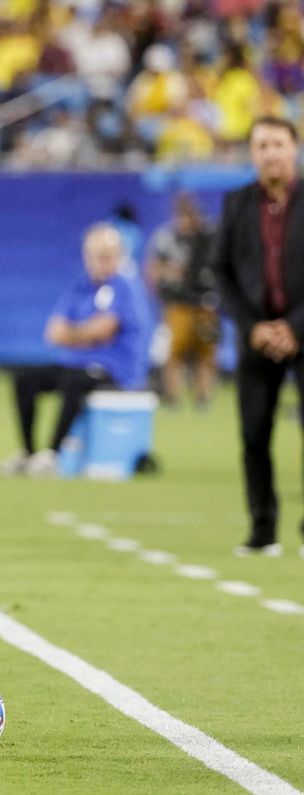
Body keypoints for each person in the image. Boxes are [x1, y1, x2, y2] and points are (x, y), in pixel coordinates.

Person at [212, 116, 304, 558]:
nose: (270, 153)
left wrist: (295, 327)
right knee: (253, 434)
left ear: (295, 148)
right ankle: (262, 531)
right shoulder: (236, 204)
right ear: (251, 153)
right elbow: (220, 271)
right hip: (256, 336)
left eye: (278, 144)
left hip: (303, 332)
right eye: (262, 145)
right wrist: (252, 327)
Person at [0, 224, 146, 478]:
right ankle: (29, 452)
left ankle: (53, 454)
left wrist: (75, 334)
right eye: (96, 256)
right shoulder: (80, 285)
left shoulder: (125, 287)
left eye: (107, 256)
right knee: (25, 379)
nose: (101, 262)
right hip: (75, 363)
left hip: (113, 370)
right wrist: (86, 334)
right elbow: (54, 332)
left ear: (119, 256)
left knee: (74, 382)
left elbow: (105, 330)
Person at [144, 192, 219, 409]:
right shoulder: (166, 237)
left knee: (206, 354)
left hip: (205, 303)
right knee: (174, 353)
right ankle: (172, 397)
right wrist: (168, 276)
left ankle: (203, 399)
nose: (186, 221)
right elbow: (153, 269)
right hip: (177, 304)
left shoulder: (208, 237)